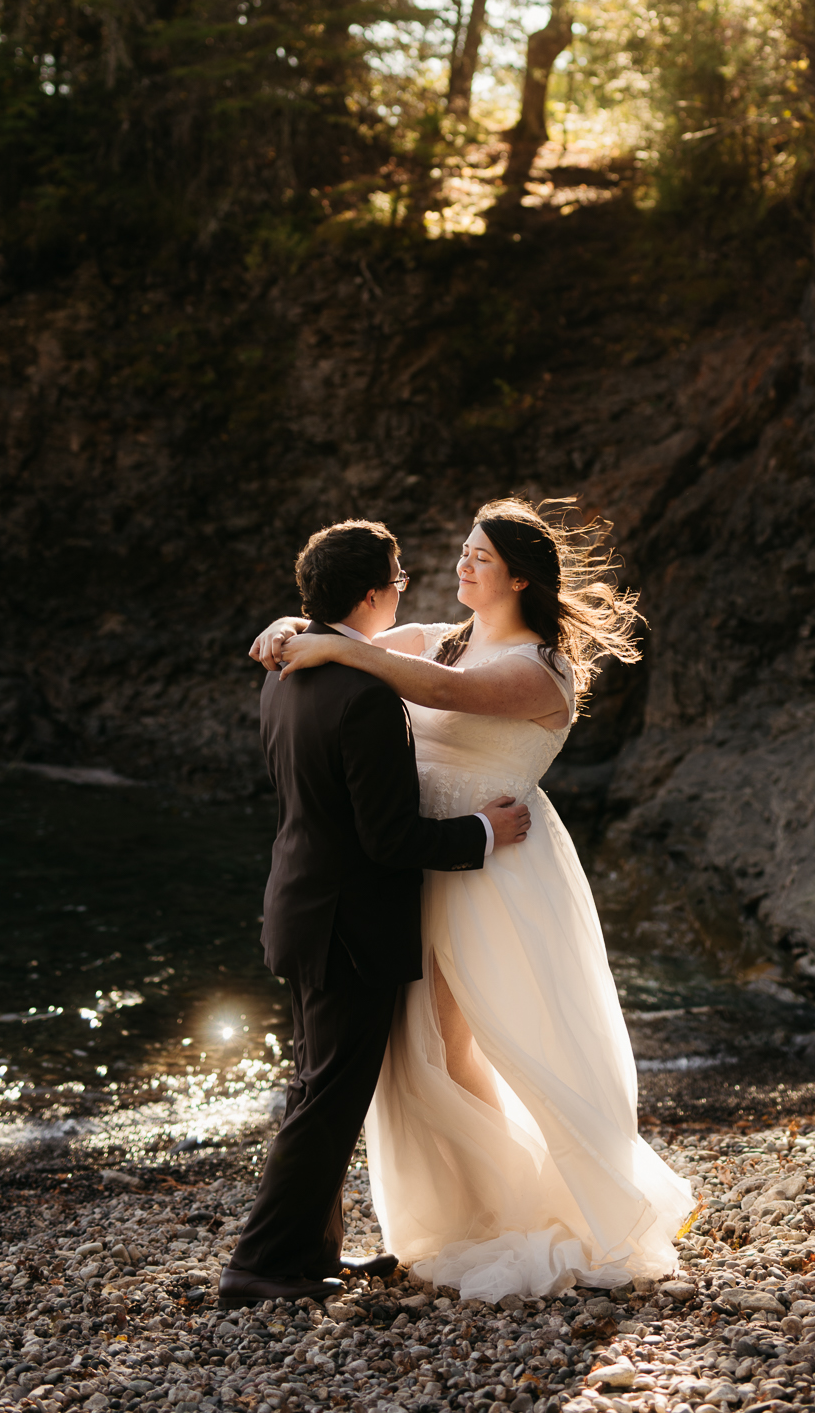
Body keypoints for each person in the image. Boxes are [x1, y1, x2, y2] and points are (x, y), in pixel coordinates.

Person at [254, 497, 694, 1301]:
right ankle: (475, 1209)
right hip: (417, 865)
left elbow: (425, 685)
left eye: (478, 558)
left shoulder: (537, 671)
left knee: (513, 1041)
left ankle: (563, 1200)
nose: (459, 565)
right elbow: (353, 640)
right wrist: (289, 626)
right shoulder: (444, 634)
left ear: (520, 577)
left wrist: (327, 647)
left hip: (497, 866)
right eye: (460, 550)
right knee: (429, 1052)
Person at [219, 517, 532, 1306]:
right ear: (368, 594)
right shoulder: (362, 696)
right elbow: (389, 839)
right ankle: (259, 1265)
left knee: (318, 1090)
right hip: (346, 927)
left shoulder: (288, 666)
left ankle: (310, 1256)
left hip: (301, 907)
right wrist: (482, 833)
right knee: (326, 1100)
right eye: (396, 578)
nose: (404, 588)